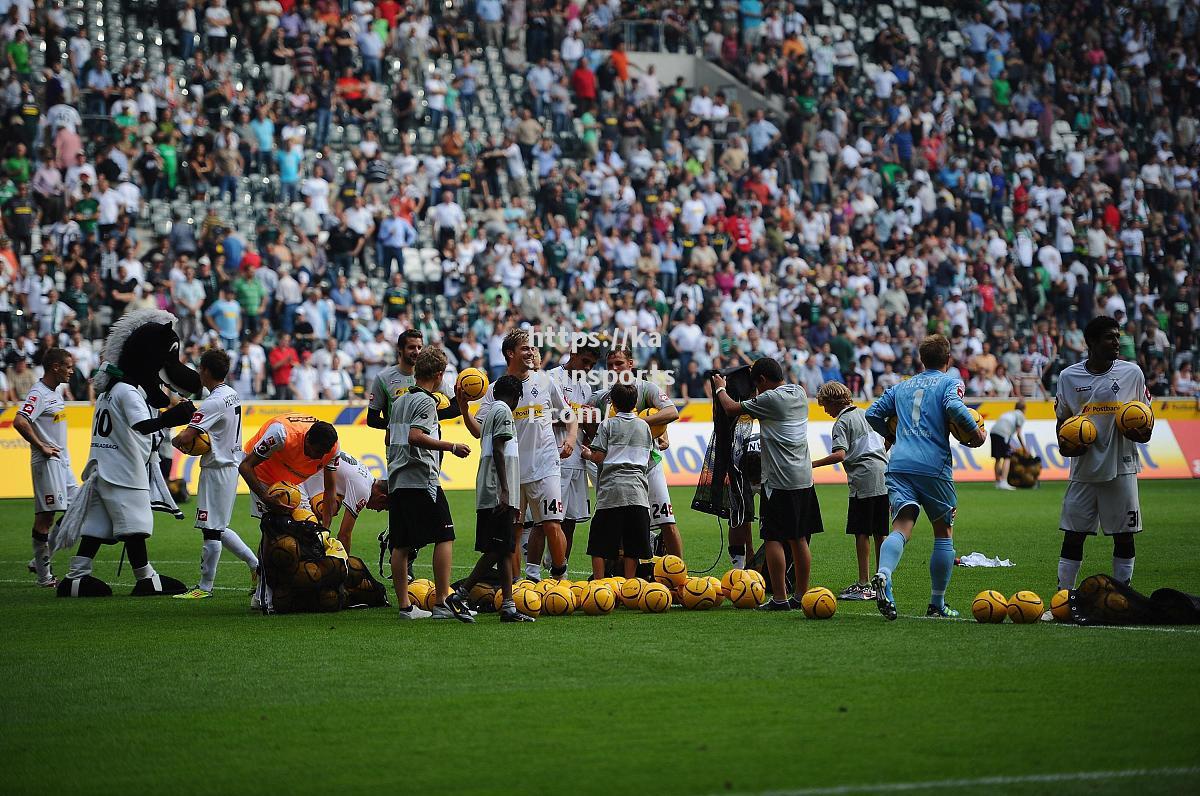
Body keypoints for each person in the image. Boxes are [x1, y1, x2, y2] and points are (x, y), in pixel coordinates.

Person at [865, 334, 988, 621]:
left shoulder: (902, 386)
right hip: (934, 467)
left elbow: (872, 415)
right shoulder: (950, 382)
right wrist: (976, 434)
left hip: (899, 465)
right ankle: (937, 604)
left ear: (921, 360)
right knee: (943, 533)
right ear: (948, 360)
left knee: (901, 526)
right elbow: (956, 409)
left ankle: (884, 574)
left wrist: (891, 435)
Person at [1050, 316, 1153, 609]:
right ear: (1091, 343)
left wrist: (1141, 431)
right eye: (1109, 338)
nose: (1117, 343)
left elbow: (1147, 422)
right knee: (1073, 535)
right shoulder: (1069, 377)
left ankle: (1124, 598)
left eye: (1117, 337)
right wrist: (1066, 444)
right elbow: (1062, 424)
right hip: (1084, 469)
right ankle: (1063, 600)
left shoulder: (1132, 373)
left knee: (1123, 536)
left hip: (1121, 466)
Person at [459, 329, 576, 583]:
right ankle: (516, 585)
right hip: (512, 471)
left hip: (546, 464)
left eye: (533, 348)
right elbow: (480, 430)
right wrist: (463, 408)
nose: (532, 352)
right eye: (525, 348)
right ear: (510, 353)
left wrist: (570, 439)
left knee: (552, 524)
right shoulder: (494, 390)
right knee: (515, 530)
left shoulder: (545, 382)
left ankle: (561, 578)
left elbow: (569, 416)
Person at [712, 357, 822, 611]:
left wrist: (720, 387)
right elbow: (768, 376)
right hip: (804, 478)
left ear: (762, 380)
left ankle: (781, 598)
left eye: (757, 384)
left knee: (773, 538)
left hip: (779, 480)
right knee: (799, 539)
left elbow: (730, 408)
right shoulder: (799, 392)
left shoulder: (770, 400)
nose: (756, 390)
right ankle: (801, 595)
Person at [386, 346, 473, 622]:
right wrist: (451, 446)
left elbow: (390, 438)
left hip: (398, 479)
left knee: (400, 544)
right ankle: (442, 602)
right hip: (421, 478)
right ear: (438, 374)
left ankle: (405, 607)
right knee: (445, 535)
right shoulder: (425, 401)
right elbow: (415, 436)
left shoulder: (400, 400)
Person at [170, 350, 259, 599]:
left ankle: (204, 588)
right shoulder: (231, 394)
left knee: (210, 529)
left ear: (206, 371)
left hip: (218, 468)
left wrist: (179, 441)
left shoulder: (213, 402)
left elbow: (186, 437)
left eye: (200, 368)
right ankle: (256, 566)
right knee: (218, 527)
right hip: (229, 465)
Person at [585, 347, 682, 557]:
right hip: (614, 471)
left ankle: (679, 575)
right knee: (618, 525)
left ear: (631, 364)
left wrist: (637, 423)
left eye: (619, 363)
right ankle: (622, 574)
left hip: (649, 465)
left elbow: (672, 411)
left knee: (667, 521)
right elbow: (585, 421)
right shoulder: (601, 398)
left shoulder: (647, 389)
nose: (614, 368)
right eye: (610, 365)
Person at [452, 375, 534, 622]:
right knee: (499, 549)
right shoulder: (504, 413)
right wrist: (506, 492)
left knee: (506, 549)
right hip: (497, 492)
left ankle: (508, 606)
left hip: (493, 490)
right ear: (517, 397)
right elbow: (499, 449)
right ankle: (461, 594)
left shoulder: (492, 413)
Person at [811, 381, 889, 601]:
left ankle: (864, 584)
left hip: (864, 479)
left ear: (832, 402)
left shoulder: (842, 422)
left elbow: (840, 455)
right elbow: (888, 438)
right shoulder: (866, 414)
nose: (825, 410)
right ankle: (882, 579)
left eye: (825, 405)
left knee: (861, 532)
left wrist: (811, 465)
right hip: (883, 475)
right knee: (880, 532)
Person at [535, 344, 601, 579]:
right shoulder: (550, 378)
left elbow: (585, 423)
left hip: (578, 459)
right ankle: (536, 571)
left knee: (571, 520)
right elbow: (540, 416)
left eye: (592, 365)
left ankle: (560, 572)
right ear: (573, 355)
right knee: (550, 519)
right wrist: (573, 416)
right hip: (555, 456)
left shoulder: (585, 386)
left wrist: (590, 422)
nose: (587, 368)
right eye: (585, 362)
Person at [13, 348, 76, 587]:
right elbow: (20, 421)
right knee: (45, 518)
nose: (71, 370)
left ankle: (37, 560)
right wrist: (41, 446)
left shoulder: (55, 393)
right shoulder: (39, 393)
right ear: (55, 367)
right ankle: (44, 576)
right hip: (47, 463)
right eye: (68, 366)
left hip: (62, 463)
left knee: (78, 507)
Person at [580, 382, 654, 580]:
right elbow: (647, 457)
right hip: (638, 492)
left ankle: (598, 582)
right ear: (636, 402)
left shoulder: (608, 424)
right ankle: (630, 585)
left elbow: (598, 457)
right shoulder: (644, 426)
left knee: (599, 543)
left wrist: (587, 453)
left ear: (612, 403)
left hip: (611, 491)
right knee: (633, 545)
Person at [239, 416, 340, 525]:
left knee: (308, 525)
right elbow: (245, 466)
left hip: (290, 477)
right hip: (262, 470)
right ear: (307, 439)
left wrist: (325, 528)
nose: (321, 457)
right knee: (276, 528)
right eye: (318, 451)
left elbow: (330, 489)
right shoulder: (280, 434)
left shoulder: (332, 449)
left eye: (324, 452)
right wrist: (264, 497)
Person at [302, 451, 387, 553]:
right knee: (307, 530)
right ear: (382, 498)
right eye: (383, 507)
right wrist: (345, 564)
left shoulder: (366, 475)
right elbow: (344, 534)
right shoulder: (364, 490)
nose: (378, 510)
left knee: (329, 508)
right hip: (305, 476)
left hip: (310, 467)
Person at [989, 399, 1027, 490]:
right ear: (1024, 409)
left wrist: (1011, 446)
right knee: (1007, 457)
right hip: (1003, 433)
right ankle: (1004, 482)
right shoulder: (1020, 415)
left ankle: (998, 482)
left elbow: (1006, 437)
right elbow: (1018, 434)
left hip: (994, 432)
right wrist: (1024, 448)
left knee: (997, 458)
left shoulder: (1009, 413)